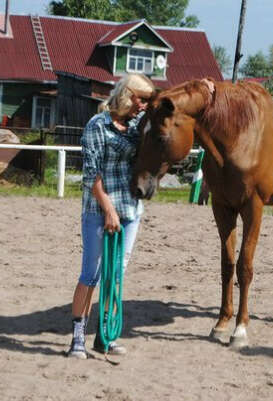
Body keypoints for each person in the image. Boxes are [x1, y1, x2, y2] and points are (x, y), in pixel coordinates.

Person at [68, 73, 155, 359]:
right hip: (99, 210)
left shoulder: (134, 127)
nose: (143, 105)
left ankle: (105, 334)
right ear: (128, 95)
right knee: (91, 274)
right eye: (141, 99)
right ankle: (78, 337)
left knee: (116, 274)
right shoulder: (98, 125)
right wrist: (108, 209)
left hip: (130, 210)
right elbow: (91, 174)